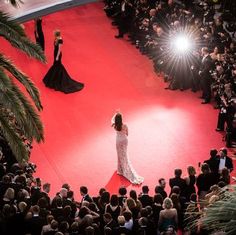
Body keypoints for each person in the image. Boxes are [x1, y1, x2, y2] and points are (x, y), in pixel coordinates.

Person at [111, 112, 144, 184]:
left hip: (118, 141)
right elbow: (127, 134)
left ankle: (120, 169)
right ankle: (124, 168)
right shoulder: (125, 125)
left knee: (119, 155)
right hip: (124, 141)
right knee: (125, 154)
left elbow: (112, 119)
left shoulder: (114, 125)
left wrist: (115, 115)